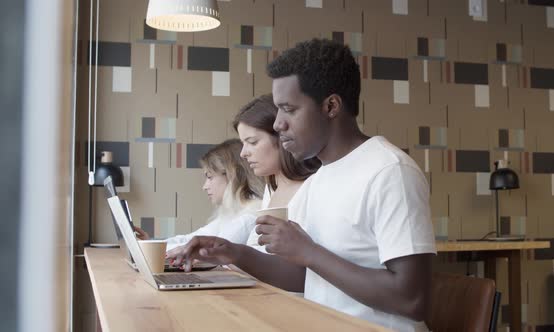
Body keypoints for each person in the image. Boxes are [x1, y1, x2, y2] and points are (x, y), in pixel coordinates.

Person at [171, 39, 436, 332]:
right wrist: (234, 252)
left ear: (331, 106)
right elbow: (305, 276)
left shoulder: (389, 171)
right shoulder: (319, 180)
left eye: (288, 109)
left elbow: (412, 299)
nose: (277, 124)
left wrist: (309, 251)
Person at [134, 138, 264, 251]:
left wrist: (150, 247)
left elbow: (203, 251)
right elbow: (191, 240)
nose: (204, 186)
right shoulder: (232, 214)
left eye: (210, 177)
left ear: (231, 175)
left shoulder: (248, 218)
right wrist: (150, 243)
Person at [231, 94, 320, 251]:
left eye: (252, 142)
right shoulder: (271, 188)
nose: (243, 153)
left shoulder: (314, 187)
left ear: (282, 137)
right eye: (242, 143)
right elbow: (257, 247)